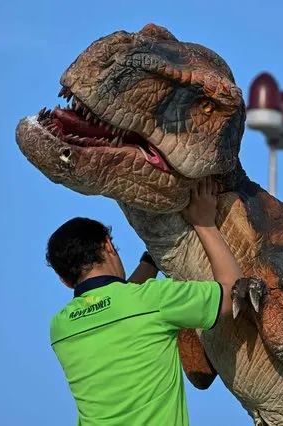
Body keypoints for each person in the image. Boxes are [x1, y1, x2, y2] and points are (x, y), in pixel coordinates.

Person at [46, 177, 243, 426]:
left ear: (65, 280)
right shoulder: (154, 301)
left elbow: (116, 305)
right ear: (109, 246)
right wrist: (204, 224)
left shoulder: (61, 329)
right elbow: (233, 292)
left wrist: (152, 259)